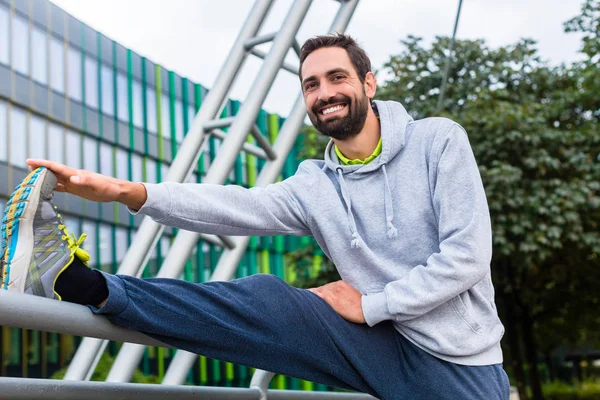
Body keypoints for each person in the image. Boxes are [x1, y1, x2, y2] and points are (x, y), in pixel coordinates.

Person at [0, 34, 509, 399]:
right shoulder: (315, 184)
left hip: (457, 364)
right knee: (265, 299)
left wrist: (375, 303)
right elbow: (234, 204)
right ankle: (78, 283)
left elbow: (466, 256)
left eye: (337, 77)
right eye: (311, 85)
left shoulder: (437, 140)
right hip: (377, 344)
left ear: (368, 83)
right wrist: (124, 192)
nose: (324, 92)